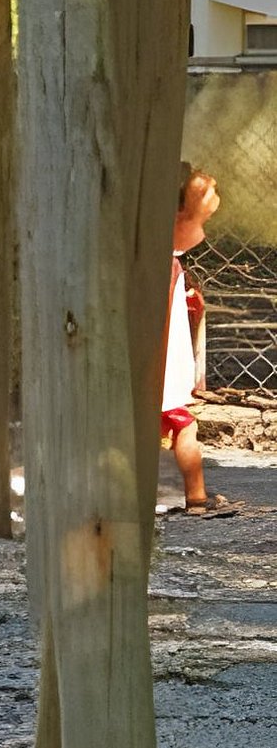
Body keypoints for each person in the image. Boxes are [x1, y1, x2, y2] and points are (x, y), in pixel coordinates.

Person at [164, 164, 234, 516]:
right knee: (185, 430)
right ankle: (196, 498)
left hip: (149, 382)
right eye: (200, 222)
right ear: (176, 217)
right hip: (162, 381)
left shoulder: (163, 261)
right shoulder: (163, 266)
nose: (203, 233)